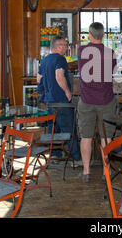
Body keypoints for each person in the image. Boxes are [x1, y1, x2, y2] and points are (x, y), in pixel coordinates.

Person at [77, 22, 117, 183]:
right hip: (106, 99)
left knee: (86, 136)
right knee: (106, 137)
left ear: (89, 35)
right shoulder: (110, 53)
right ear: (104, 35)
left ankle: (86, 172)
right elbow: (112, 71)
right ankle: (105, 171)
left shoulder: (81, 51)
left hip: (86, 99)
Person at [37, 36, 82, 165]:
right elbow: (59, 76)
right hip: (61, 100)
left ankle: (55, 156)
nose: (67, 48)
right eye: (65, 45)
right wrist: (67, 91)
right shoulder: (60, 59)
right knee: (69, 130)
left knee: (53, 130)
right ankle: (77, 159)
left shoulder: (45, 60)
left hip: (49, 101)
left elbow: (38, 79)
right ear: (58, 46)